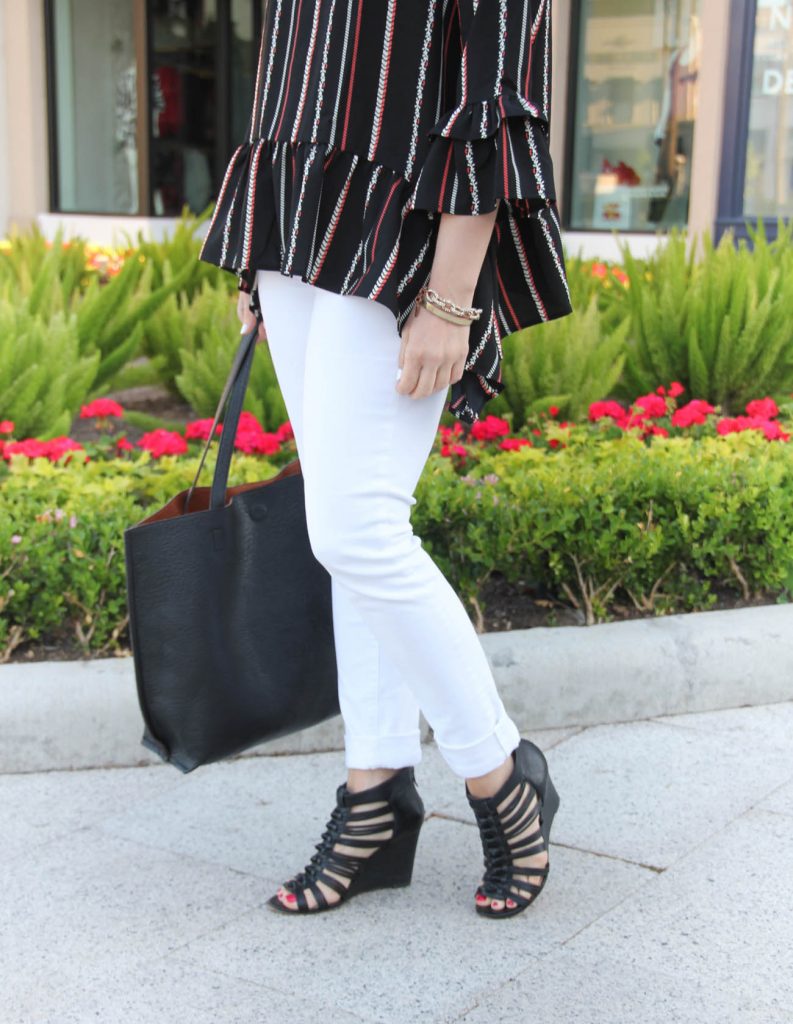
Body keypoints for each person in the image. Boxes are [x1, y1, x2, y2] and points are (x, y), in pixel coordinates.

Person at [199, 0, 573, 918]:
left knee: (357, 528)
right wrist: (261, 248)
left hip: (406, 220)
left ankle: (498, 772)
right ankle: (375, 795)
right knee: (345, 530)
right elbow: (291, 63)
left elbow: (495, 85)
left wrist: (451, 295)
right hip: (298, 218)